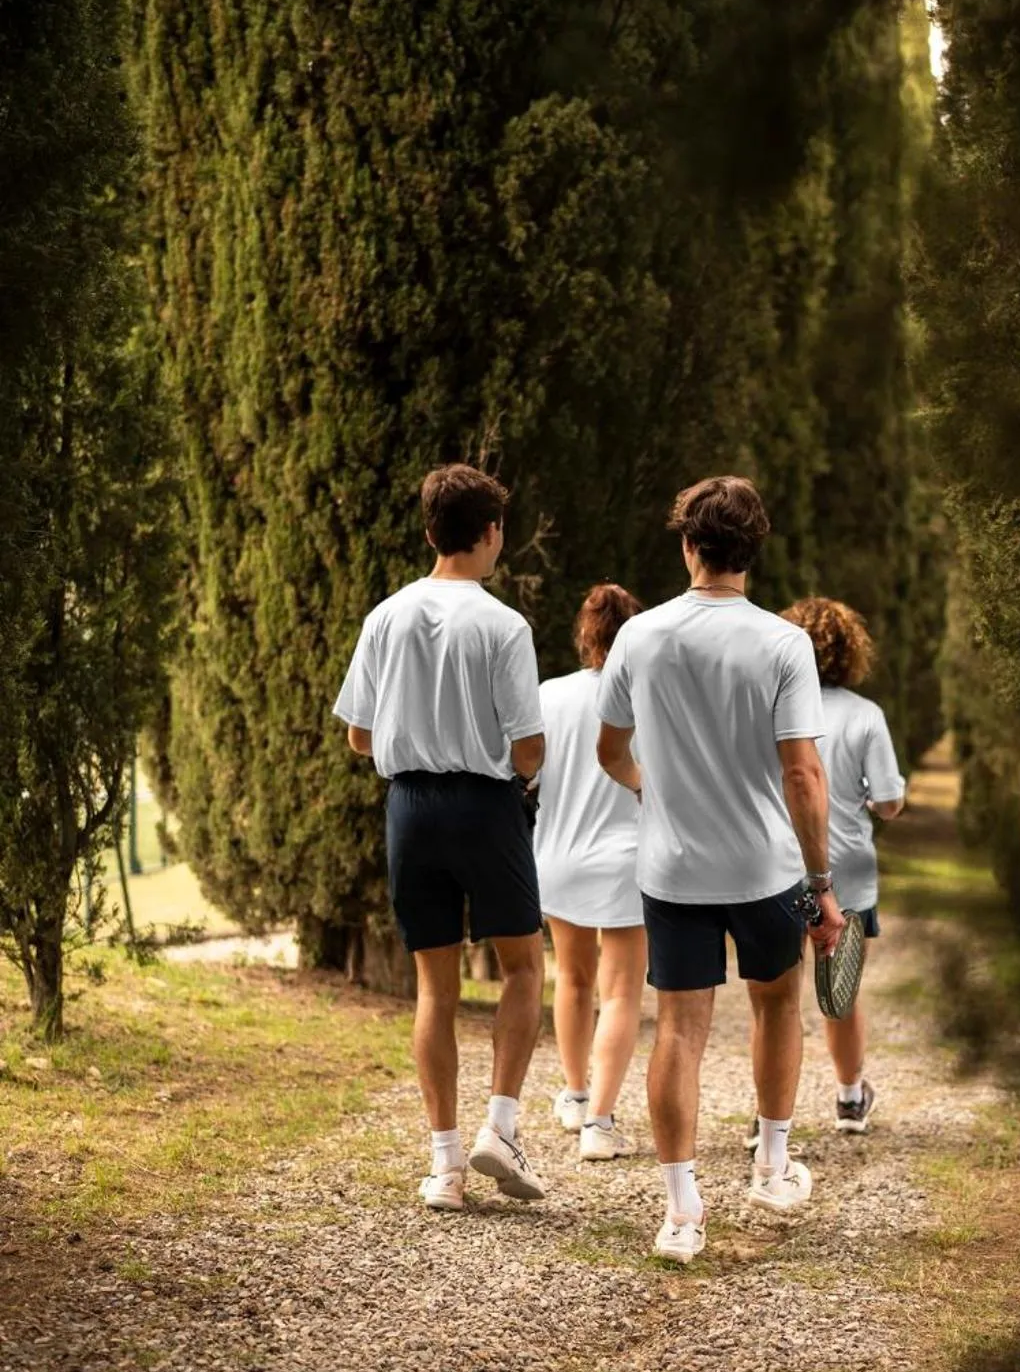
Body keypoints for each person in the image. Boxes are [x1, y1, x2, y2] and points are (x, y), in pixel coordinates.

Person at [596, 475, 844, 1264]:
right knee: (777, 1008)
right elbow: (802, 774)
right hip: (765, 869)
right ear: (753, 551)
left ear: (686, 544)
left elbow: (610, 751)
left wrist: (653, 789)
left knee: (677, 1030)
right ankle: (770, 1168)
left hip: (670, 869)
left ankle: (680, 1214)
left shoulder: (639, 636)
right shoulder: (781, 643)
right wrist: (822, 884)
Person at [332, 463, 549, 1212]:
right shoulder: (503, 624)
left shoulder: (383, 617)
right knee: (522, 968)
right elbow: (527, 746)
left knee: (434, 986)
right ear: (490, 534)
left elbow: (359, 737)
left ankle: (445, 1167)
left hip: (409, 807)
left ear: (429, 532)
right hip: (484, 805)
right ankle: (502, 1126)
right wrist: (522, 777)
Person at [776, 597, 904, 1133]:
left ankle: (771, 1109)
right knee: (841, 985)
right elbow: (891, 800)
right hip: (847, 866)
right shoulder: (866, 715)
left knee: (778, 993)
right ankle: (850, 1099)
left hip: (781, 862)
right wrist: (875, 800)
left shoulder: (773, 705)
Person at [536, 583, 647, 1160]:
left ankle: (576, 1094)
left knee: (572, 980)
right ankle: (600, 1126)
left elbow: (526, 770)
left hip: (557, 856)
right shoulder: (650, 698)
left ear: (584, 635)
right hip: (627, 860)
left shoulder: (548, 695)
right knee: (622, 991)